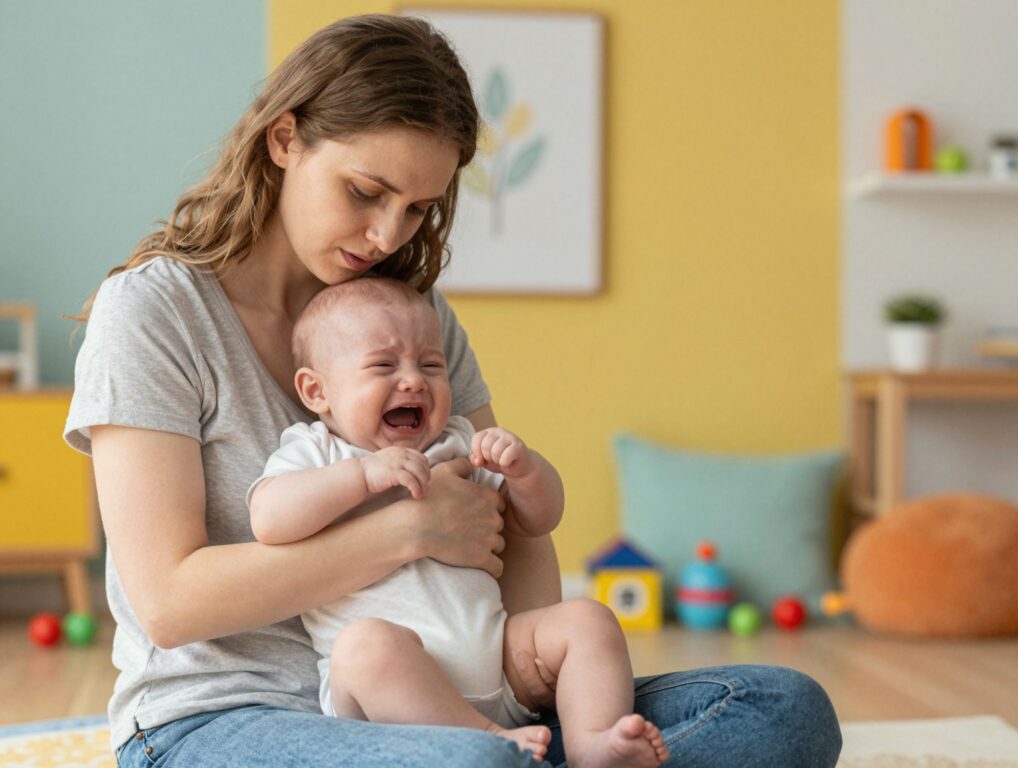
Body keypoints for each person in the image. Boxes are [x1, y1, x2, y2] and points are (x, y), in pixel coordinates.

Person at [64, 13, 843, 767]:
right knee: (472, 764)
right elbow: (170, 602)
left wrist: (534, 677)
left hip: (462, 694)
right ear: (284, 138)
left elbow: (509, 522)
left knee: (782, 709)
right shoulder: (157, 311)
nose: (388, 237)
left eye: (418, 209)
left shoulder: (412, 314)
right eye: (366, 192)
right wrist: (409, 532)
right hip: (222, 717)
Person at [248, 276, 669, 767]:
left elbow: (538, 520)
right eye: (384, 365)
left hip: (500, 665)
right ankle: (485, 739)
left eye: (431, 364)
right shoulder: (317, 450)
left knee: (587, 618)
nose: (413, 380)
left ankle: (593, 742)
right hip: (391, 697)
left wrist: (525, 470)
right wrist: (360, 476)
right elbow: (270, 518)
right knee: (363, 647)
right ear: (317, 390)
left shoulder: (457, 442)